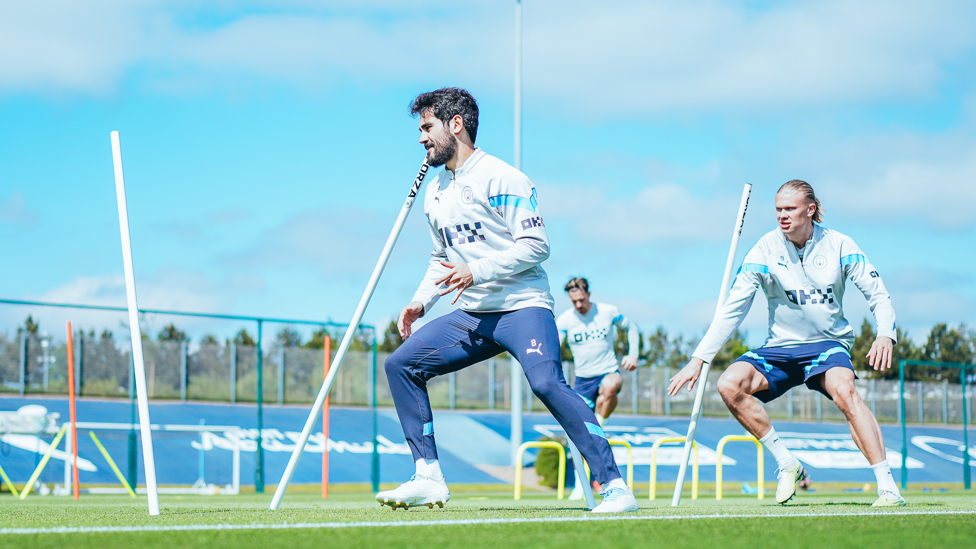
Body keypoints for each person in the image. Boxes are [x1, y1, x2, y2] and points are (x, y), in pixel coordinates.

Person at [376, 87, 638, 513]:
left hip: (522, 307)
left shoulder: (503, 177)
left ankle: (615, 488)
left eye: (427, 127)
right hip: (472, 315)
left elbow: (536, 246)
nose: (421, 138)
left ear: (455, 124)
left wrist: (477, 270)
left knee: (546, 383)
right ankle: (428, 477)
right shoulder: (436, 190)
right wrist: (421, 302)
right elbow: (441, 258)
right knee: (401, 364)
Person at [667, 180, 906, 507]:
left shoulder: (840, 244)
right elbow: (731, 312)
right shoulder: (764, 249)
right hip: (778, 348)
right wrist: (699, 359)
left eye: (790, 209)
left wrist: (885, 333)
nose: (782, 215)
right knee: (729, 384)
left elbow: (878, 294)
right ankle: (786, 462)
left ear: (810, 210)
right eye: (778, 209)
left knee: (846, 392)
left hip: (827, 345)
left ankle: (887, 487)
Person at [556, 277, 640, 500]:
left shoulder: (608, 312)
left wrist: (633, 354)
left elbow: (631, 327)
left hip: (607, 371)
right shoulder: (565, 320)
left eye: (581, 299)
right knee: (577, 435)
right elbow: (555, 346)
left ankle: (599, 424)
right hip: (583, 381)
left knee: (612, 384)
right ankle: (579, 485)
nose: (579, 305)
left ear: (589, 295)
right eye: (574, 301)